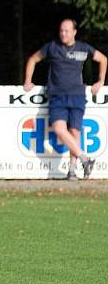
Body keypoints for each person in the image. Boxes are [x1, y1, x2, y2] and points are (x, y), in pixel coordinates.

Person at [23, 18, 106, 179]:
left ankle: (72, 170)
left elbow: (103, 59)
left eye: (67, 30)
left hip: (77, 95)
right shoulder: (52, 47)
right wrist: (28, 80)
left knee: (74, 131)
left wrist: (100, 80)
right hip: (57, 95)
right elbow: (33, 59)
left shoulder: (83, 48)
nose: (63, 33)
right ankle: (85, 158)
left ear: (74, 32)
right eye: (61, 30)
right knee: (59, 129)